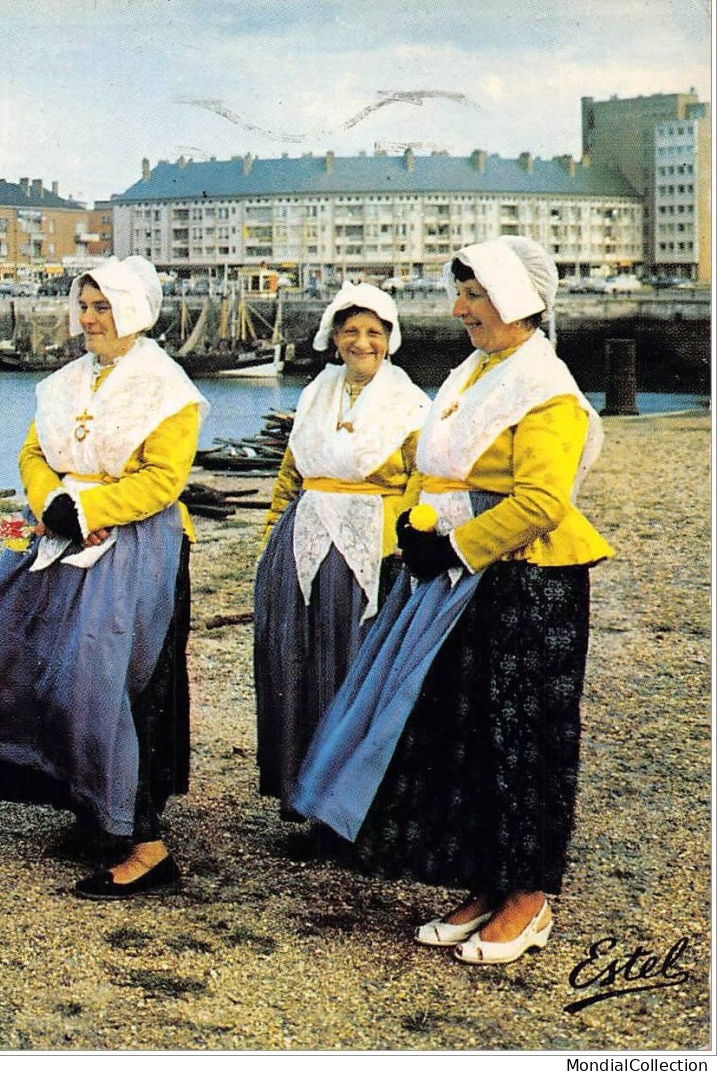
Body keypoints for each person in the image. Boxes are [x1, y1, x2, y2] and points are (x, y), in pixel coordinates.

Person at [289, 236, 613, 965]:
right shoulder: (476, 372)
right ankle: (485, 881)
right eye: (460, 292)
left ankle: (528, 897)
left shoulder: (546, 391)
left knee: (522, 740)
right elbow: (427, 465)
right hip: (457, 582)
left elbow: (540, 500)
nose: (459, 307)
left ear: (516, 302)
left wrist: (458, 545)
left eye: (473, 294)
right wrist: (412, 524)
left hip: (524, 581)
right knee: (464, 737)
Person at [0, 256, 204, 899]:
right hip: (58, 532)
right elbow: (34, 452)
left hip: (134, 544)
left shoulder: (167, 390)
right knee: (11, 651)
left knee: (102, 684)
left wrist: (87, 507)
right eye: (84, 306)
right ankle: (93, 807)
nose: (89, 319)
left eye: (103, 308)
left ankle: (145, 844)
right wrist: (51, 502)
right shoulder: (65, 382)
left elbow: (164, 480)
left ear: (135, 313)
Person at [254, 282, 429, 815]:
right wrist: (270, 542)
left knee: (355, 666)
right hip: (304, 537)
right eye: (351, 331)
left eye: (374, 332)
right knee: (294, 664)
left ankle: (356, 807)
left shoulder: (410, 403)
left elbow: (423, 479)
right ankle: (303, 794)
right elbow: (292, 474)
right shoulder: (316, 394)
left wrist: (400, 538)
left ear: (390, 339)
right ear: (334, 337)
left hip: (372, 548)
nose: (362, 342)